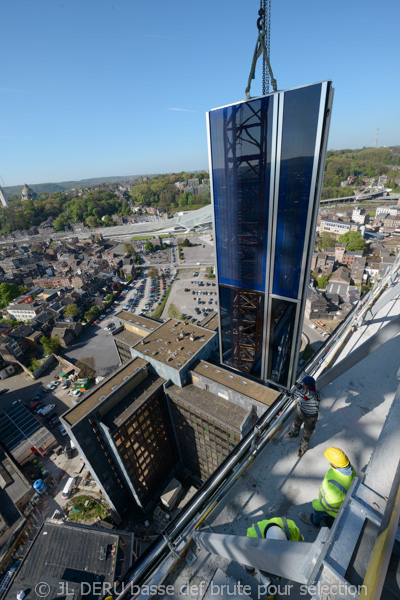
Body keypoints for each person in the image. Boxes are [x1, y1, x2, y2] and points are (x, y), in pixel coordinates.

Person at [245, 517, 304, 599]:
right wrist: (250, 570)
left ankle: (270, 587)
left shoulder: (291, 528)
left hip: (268, 561)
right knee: (266, 577)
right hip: (265, 565)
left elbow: (301, 544)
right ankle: (269, 589)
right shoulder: (252, 538)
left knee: (268, 575)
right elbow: (249, 558)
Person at [300, 447, 356, 528]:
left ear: (335, 465)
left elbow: (328, 504)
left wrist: (316, 504)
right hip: (337, 510)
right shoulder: (350, 469)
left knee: (319, 514)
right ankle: (330, 525)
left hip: (330, 509)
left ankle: (313, 522)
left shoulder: (336, 486)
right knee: (331, 520)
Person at [286, 375, 320, 456]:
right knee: (296, 423)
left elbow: (307, 393)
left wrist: (297, 385)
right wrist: (287, 394)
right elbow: (294, 396)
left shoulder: (314, 394)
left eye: (303, 384)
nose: (302, 384)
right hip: (300, 410)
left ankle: (303, 448)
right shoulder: (301, 390)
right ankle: (295, 432)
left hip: (311, 416)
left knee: (307, 433)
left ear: (308, 386)